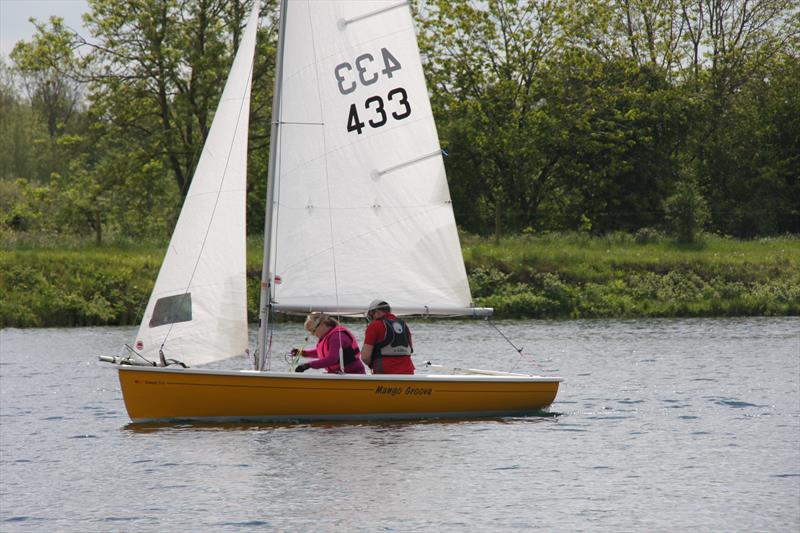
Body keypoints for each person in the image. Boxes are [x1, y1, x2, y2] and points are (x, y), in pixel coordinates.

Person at [292, 313, 366, 374]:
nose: (313, 334)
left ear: (322, 324)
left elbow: (331, 359)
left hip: (354, 374)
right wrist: (301, 353)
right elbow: (322, 353)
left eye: (313, 330)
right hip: (339, 375)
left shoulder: (336, 336)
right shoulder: (328, 335)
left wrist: (308, 365)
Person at [360, 300, 414, 374]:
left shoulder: (374, 325)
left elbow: (365, 357)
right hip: (408, 371)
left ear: (377, 311)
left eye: (372, 314)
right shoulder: (404, 324)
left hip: (385, 372)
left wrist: (371, 363)